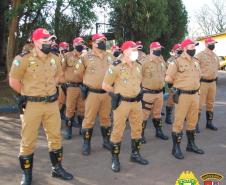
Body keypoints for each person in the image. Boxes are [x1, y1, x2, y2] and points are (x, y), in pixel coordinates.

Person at [9, 28, 73, 185]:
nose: (48, 43)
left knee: (55, 138)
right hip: (32, 105)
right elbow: (13, 81)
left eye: (49, 40)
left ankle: (57, 168)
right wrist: (26, 95)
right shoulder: (23, 59)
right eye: (44, 41)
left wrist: (51, 87)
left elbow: (59, 76)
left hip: (52, 105)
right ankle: (27, 175)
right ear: (35, 42)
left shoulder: (55, 58)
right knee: (28, 140)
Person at [102, 40, 149, 172]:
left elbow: (139, 82)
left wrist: (140, 92)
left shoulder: (138, 66)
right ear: (125, 51)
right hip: (122, 103)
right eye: (133, 50)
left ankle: (135, 154)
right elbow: (105, 85)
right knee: (118, 131)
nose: (136, 52)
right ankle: (115, 159)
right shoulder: (115, 66)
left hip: (137, 103)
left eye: (136, 50)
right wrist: (114, 95)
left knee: (137, 129)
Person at [74, 33, 113, 155]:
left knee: (106, 118)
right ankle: (86, 144)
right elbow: (78, 73)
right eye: (100, 41)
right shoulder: (86, 57)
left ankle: (106, 141)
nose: (103, 43)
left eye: (104, 41)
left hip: (107, 94)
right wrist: (88, 81)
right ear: (93, 43)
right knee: (89, 119)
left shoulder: (110, 56)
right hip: (92, 93)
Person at [165, 38, 204, 159]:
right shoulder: (176, 62)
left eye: (195, 47)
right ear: (185, 48)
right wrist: (176, 88)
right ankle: (175, 148)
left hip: (195, 96)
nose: (194, 49)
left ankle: (191, 145)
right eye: (192, 47)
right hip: (183, 96)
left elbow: (199, 77)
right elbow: (168, 79)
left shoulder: (196, 61)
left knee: (192, 121)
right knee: (179, 122)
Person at [141, 42, 169, 143]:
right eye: (157, 48)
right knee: (144, 115)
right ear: (152, 49)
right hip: (148, 93)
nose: (159, 50)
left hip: (159, 93)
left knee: (157, 114)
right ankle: (140, 134)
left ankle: (159, 131)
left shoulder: (161, 61)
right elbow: (137, 76)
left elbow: (165, 73)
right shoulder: (144, 62)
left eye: (160, 48)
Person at [195, 37, 219, 132]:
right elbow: (194, 68)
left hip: (213, 83)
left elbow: (216, 67)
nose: (213, 45)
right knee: (199, 104)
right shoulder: (200, 55)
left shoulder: (215, 56)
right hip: (203, 83)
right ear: (206, 44)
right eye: (211, 43)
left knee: (210, 103)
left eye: (214, 43)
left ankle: (209, 123)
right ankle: (195, 124)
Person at [63, 37, 85, 139]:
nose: (80, 44)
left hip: (83, 86)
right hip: (71, 86)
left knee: (82, 109)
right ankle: (68, 130)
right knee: (70, 109)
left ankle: (82, 128)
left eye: (81, 43)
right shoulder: (67, 56)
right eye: (78, 42)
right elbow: (61, 70)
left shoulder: (86, 56)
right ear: (73, 44)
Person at [165, 43, 183, 125]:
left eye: (181, 50)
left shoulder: (183, 59)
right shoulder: (170, 60)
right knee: (171, 100)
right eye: (177, 51)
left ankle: (183, 115)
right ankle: (168, 116)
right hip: (173, 84)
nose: (179, 52)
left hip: (183, 84)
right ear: (173, 51)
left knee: (183, 100)